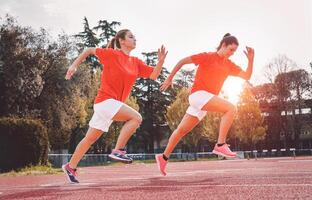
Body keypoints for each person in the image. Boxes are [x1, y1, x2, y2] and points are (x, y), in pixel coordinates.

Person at [62, 29, 168, 183]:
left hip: (110, 105)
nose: (134, 39)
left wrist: (160, 62)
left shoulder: (135, 62)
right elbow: (89, 50)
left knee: (89, 139)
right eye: (131, 37)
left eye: (135, 36)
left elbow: (153, 75)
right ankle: (118, 150)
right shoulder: (111, 54)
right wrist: (74, 65)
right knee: (136, 118)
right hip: (105, 101)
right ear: (121, 41)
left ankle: (70, 167)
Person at [155, 33, 254, 176]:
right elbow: (182, 61)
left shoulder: (229, 65)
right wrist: (170, 78)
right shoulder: (207, 56)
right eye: (231, 50)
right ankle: (220, 145)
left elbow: (247, 76)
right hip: (198, 95)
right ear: (223, 45)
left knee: (181, 131)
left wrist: (250, 60)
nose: (232, 54)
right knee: (231, 108)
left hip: (205, 100)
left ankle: (163, 157)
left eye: (234, 51)